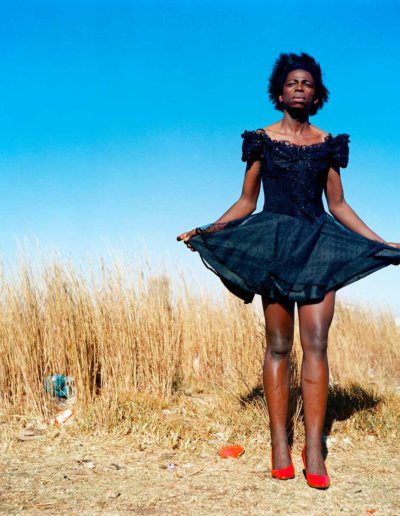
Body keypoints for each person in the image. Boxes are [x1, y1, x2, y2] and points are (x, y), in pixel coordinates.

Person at [176, 52, 400, 489]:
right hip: (275, 248)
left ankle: (314, 449)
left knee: (316, 345)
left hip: (319, 247)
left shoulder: (328, 143)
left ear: (317, 96)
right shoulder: (261, 140)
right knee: (279, 346)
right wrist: (207, 230)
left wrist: (381, 244)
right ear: (279, 93)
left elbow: (338, 205)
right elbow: (247, 202)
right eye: (292, 82)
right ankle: (279, 441)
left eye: (307, 84)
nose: (300, 88)